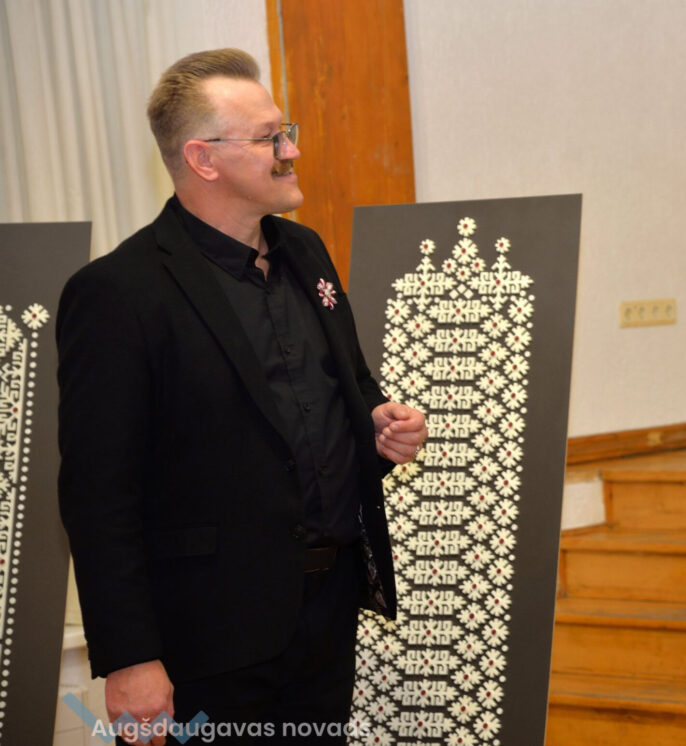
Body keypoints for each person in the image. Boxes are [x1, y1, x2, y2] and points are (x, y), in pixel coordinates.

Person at [57, 48, 426, 745]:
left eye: (285, 131)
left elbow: (346, 386)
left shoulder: (307, 252)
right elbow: (96, 494)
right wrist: (130, 657)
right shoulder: (118, 293)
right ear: (203, 159)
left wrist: (380, 422)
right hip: (207, 639)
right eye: (269, 138)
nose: (292, 151)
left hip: (326, 613)